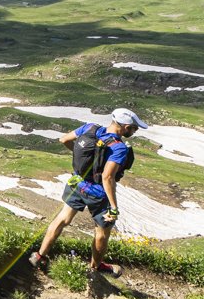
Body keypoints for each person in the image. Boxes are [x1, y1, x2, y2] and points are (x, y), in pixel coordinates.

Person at [27, 108, 143, 279]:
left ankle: (39, 256)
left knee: (62, 219)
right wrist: (113, 207)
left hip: (77, 183)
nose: (135, 131)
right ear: (126, 127)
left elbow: (64, 139)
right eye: (134, 128)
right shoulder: (118, 147)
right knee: (102, 232)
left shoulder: (89, 128)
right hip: (98, 193)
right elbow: (107, 177)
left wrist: (85, 161)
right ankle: (96, 268)